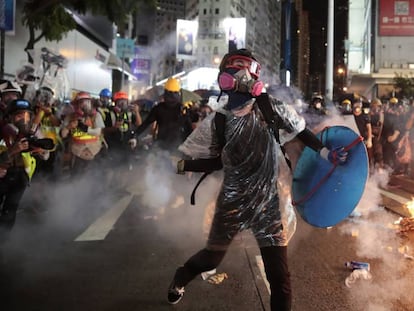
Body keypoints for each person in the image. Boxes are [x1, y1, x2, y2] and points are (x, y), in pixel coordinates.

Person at [166, 48, 347, 310]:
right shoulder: (218, 120)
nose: (238, 75)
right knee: (212, 259)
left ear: (254, 75)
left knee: (279, 277)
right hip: (233, 202)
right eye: (232, 69)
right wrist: (182, 164)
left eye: (244, 69)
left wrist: (326, 152)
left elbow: (301, 131)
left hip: (267, 204)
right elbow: (217, 161)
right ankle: (181, 276)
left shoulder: (271, 108)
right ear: (223, 78)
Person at [0, 99, 50, 237]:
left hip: (19, 177)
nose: (24, 120)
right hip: (2, 175)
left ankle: (3, 240)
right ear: (9, 118)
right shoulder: (3, 134)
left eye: (27, 116)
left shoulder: (30, 134)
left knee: (10, 210)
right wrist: (12, 151)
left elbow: (46, 154)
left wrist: (40, 150)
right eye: (19, 116)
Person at [129, 77, 192, 152]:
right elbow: (189, 130)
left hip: (168, 148)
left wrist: (135, 136)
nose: (171, 97)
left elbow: (145, 124)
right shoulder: (182, 109)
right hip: (169, 149)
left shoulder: (160, 108)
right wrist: (135, 136)